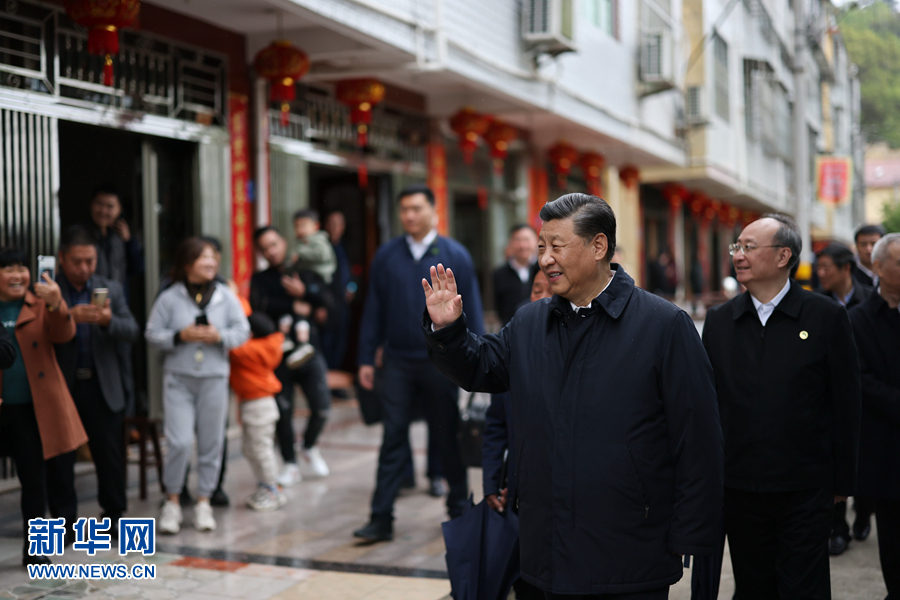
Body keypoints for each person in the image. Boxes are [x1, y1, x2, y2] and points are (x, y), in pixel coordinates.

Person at [422, 193, 723, 597]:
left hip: (629, 554)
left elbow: (698, 439)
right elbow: (481, 366)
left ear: (598, 246)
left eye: (556, 246)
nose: (545, 259)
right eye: (541, 246)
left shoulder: (663, 325)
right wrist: (449, 331)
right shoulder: (530, 322)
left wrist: (691, 535)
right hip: (544, 549)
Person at [702, 214, 861, 600]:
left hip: (804, 486)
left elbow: (846, 401)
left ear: (783, 256)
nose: (738, 255)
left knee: (802, 587)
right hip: (739, 487)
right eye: (736, 247)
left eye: (748, 247)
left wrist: (843, 482)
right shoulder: (720, 321)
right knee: (753, 586)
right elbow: (708, 404)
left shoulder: (825, 316)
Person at [354, 183, 485, 542]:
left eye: (416, 208)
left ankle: (459, 510)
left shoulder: (455, 254)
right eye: (404, 209)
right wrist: (366, 357)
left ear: (433, 210)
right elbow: (374, 309)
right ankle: (381, 517)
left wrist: (474, 360)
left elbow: (471, 310)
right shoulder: (387, 255)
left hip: (441, 361)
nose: (409, 215)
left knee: (447, 436)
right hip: (398, 361)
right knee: (392, 436)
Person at [146, 237, 249, 534]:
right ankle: (173, 501)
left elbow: (242, 331)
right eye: (204, 257)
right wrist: (179, 336)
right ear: (188, 263)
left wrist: (220, 337)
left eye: (213, 257)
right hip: (178, 378)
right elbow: (152, 333)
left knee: (211, 442)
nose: (211, 263)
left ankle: (204, 501)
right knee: (178, 442)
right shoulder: (170, 296)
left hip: (214, 378)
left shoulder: (226, 296)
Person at [0, 246, 87, 566]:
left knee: (34, 481)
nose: (17, 275)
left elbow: (65, 335)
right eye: (8, 268)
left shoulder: (40, 303)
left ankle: (35, 550)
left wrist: (56, 304)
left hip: (31, 409)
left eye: (22, 268)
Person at [54, 226, 139, 532]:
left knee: (109, 454)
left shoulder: (110, 288)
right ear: (62, 258)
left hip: (102, 385)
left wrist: (108, 321)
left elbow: (132, 330)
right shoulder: (50, 291)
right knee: (61, 457)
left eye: (90, 261)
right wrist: (67, 318)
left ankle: (114, 515)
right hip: (63, 385)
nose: (84, 268)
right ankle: (64, 521)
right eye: (77, 261)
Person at [482, 262, 550, 600]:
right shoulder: (517, 343)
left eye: (551, 289)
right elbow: (496, 423)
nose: (543, 296)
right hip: (519, 499)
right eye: (537, 290)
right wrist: (493, 481)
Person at [251, 226, 333, 484]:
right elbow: (256, 309)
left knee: (322, 407)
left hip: (310, 351)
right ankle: (290, 463)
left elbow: (328, 300)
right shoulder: (260, 279)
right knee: (283, 412)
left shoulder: (305, 271)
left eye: (274, 244)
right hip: (278, 354)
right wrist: (293, 304)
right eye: (264, 248)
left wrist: (304, 293)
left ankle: (308, 446)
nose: (271, 251)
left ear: (284, 242)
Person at [849, 232, 900, 599]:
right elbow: (860, 379)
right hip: (886, 447)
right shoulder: (858, 320)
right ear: (878, 268)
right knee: (893, 534)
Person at [229, 305, 287, 512]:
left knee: (261, 450)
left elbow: (230, 346)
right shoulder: (267, 345)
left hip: (259, 405)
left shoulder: (252, 349)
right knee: (251, 448)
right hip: (256, 404)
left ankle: (273, 490)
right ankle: (266, 486)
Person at [321, 211, 354, 371]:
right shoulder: (322, 249)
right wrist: (320, 305)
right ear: (326, 226)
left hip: (342, 305)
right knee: (326, 345)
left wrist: (351, 288)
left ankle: (335, 377)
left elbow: (351, 277)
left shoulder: (345, 248)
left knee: (340, 344)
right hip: (327, 305)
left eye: (339, 224)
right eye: (332, 223)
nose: (336, 228)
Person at [493, 224, 538, 326]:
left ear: (536, 242)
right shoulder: (500, 274)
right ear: (510, 243)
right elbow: (499, 307)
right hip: (511, 328)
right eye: (518, 240)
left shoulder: (543, 270)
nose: (522, 245)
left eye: (526, 240)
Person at [292, 209, 337, 285]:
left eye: (303, 225)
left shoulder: (319, 239)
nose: (300, 230)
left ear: (316, 226)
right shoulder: (302, 242)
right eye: (297, 226)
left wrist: (300, 253)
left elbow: (321, 254)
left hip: (319, 279)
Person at [853, 224, 886, 289]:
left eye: (874, 244)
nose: (869, 249)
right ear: (856, 246)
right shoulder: (850, 276)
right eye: (863, 244)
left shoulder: (890, 272)